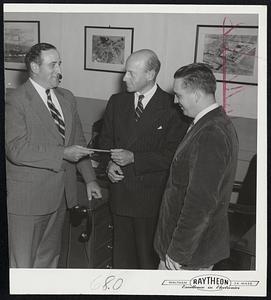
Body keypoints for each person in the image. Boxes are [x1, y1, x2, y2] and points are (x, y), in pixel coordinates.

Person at [5, 43, 102, 268]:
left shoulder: (66, 97)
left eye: (59, 63)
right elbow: (16, 149)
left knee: (49, 261)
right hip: (27, 200)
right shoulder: (16, 100)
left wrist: (90, 179)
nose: (59, 69)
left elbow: (78, 140)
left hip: (60, 197)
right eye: (53, 64)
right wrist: (62, 154)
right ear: (34, 67)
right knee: (22, 265)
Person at [99, 49, 188, 269]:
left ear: (150, 74)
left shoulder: (173, 107)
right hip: (120, 195)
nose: (124, 78)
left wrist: (135, 159)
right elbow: (104, 141)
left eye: (131, 73)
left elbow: (173, 155)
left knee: (146, 261)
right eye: (125, 72)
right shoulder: (116, 101)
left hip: (152, 200)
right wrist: (109, 163)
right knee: (121, 259)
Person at [154, 63, 239, 270]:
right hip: (189, 249)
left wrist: (178, 251)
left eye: (179, 95)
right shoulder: (212, 122)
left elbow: (200, 202)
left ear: (197, 95)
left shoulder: (211, 132)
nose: (175, 101)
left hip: (188, 254)